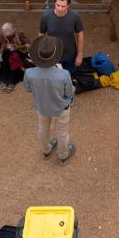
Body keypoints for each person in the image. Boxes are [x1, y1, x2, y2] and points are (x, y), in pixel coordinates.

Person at [23, 36, 76, 166]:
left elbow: (28, 89)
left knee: (43, 129)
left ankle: (46, 150)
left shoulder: (29, 73)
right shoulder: (63, 73)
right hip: (61, 108)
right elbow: (69, 92)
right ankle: (63, 156)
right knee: (62, 133)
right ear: (55, 56)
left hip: (42, 107)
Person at [39, 0, 84, 73]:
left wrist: (80, 54)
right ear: (54, 3)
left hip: (70, 55)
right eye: (57, 5)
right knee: (54, 79)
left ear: (68, 6)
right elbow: (41, 34)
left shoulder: (75, 17)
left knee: (70, 76)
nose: (59, 8)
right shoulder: (45, 16)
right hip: (53, 56)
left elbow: (80, 35)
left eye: (63, 6)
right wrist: (42, 51)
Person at [0, 22, 30, 92]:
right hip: (8, 54)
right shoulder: (1, 37)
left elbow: (29, 44)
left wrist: (19, 47)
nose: (10, 37)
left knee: (14, 56)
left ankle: (12, 81)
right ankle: (5, 80)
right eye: (8, 37)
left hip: (20, 54)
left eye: (11, 36)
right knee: (8, 57)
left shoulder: (20, 35)